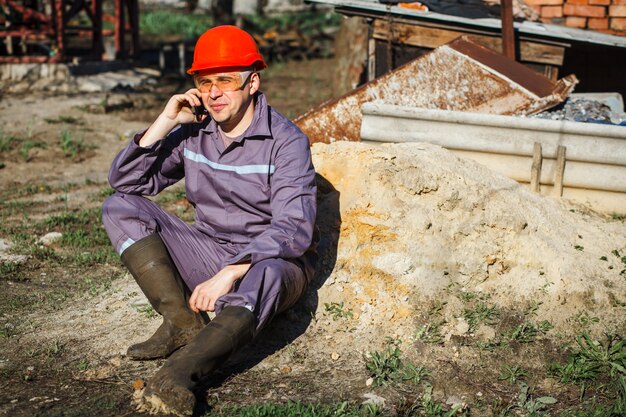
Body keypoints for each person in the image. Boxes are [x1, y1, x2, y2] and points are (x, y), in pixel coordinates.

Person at [102, 25, 318, 415]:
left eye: (225, 81)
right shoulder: (194, 131)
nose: (214, 92)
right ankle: (182, 323)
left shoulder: (287, 142)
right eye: (205, 82)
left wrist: (233, 271)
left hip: (270, 263)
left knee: (267, 272)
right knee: (120, 207)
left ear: (252, 82)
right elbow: (126, 182)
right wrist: (165, 122)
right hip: (208, 250)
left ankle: (178, 374)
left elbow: (294, 229)